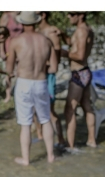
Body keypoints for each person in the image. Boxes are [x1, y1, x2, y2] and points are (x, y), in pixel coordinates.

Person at [6, 11, 58, 165]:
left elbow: (9, 69)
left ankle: (26, 159)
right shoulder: (46, 41)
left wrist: (13, 72)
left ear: (21, 23)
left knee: (26, 123)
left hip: (24, 82)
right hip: (41, 82)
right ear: (36, 22)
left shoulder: (16, 41)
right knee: (45, 119)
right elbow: (54, 68)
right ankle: (50, 155)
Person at [61, 12, 96, 149]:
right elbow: (72, 43)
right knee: (87, 105)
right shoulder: (87, 29)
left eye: (71, 13)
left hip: (79, 73)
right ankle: (91, 140)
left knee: (70, 109)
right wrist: (63, 35)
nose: (68, 16)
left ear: (80, 15)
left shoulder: (81, 31)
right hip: (85, 71)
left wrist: (64, 54)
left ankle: (70, 146)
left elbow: (80, 55)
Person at [34, 11, 66, 147]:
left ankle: (60, 139)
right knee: (35, 108)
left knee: (49, 110)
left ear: (43, 14)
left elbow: (56, 57)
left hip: (47, 75)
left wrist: (48, 66)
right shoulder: (36, 30)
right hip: (36, 74)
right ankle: (40, 136)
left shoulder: (51, 32)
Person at [0, 12, 24, 103]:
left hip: (20, 46)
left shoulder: (22, 15)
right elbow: (1, 33)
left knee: (20, 70)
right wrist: (1, 50)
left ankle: (20, 92)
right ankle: (8, 95)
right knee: (8, 72)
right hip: (9, 46)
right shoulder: (6, 16)